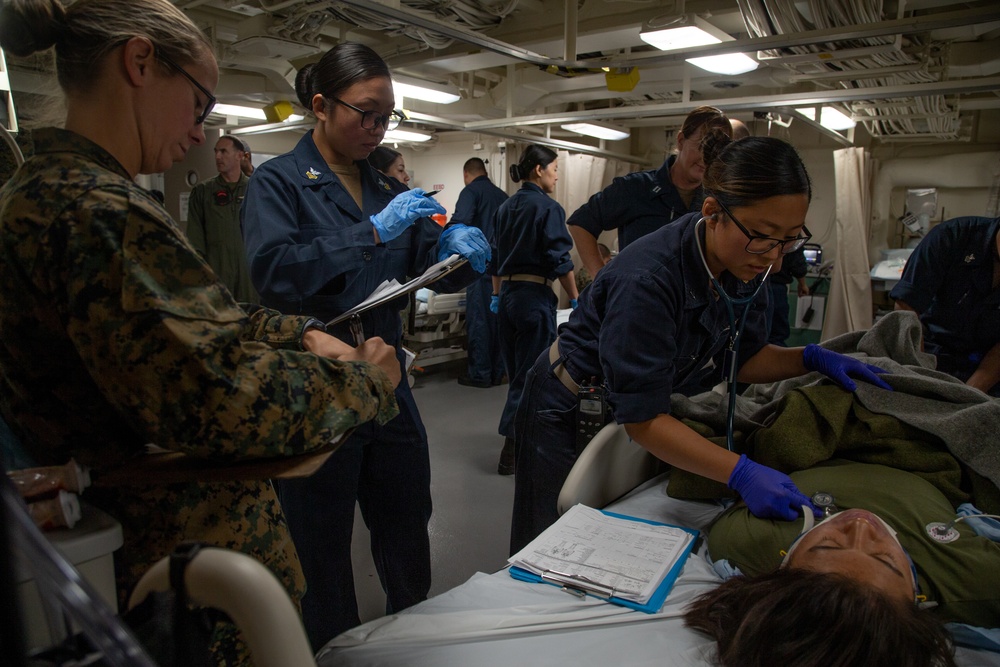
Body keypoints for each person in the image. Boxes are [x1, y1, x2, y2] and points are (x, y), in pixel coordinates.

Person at [0, 1, 401, 663]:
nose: (199, 134)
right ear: (139, 63)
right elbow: (223, 397)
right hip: (186, 577)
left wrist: (295, 333)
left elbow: (190, 319)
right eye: (199, 104)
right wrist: (363, 378)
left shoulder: (47, 191)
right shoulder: (99, 211)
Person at [509, 135, 894, 553]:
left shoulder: (749, 266)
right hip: (568, 405)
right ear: (713, 212)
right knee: (545, 547)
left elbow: (743, 360)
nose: (777, 258)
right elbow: (643, 419)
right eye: (765, 236)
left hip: (630, 409)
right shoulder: (647, 280)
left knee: (602, 538)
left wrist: (811, 358)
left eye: (790, 239)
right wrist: (741, 473)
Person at [240, 41, 490, 649]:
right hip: (318, 388)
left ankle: (412, 638)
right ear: (322, 106)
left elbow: (425, 264)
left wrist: (459, 250)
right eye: (365, 113)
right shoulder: (279, 183)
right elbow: (275, 272)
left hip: (388, 383)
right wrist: (369, 233)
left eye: (387, 117)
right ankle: (331, 650)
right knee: (319, 539)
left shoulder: (384, 186)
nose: (377, 129)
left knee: (406, 519)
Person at [491, 144, 578, 476]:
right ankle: (513, 448)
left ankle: (518, 442)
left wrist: (497, 295)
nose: (557, 175)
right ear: (539, 170)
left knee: (516, 374)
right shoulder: (548, 207)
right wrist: (576, 298)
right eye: (555, 168)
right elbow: (560, 258)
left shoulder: (505, 207)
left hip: (508, 298)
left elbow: (496, 258)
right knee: (531, 377)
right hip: (533, 297)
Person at [567, 106, 732, 279]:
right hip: (638, 299)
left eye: (715, 151)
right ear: (681, 140)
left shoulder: (716, 201)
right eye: (701, 146)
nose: (705, 158)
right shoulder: (636, 188)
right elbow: (580, 223)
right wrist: (602, 279)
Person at [890, 216, 1000, 396]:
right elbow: (905, 309)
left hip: (986, 369)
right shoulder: (951, 236)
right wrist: (920, 379)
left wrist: (968, 395)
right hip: (928, 353)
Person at [452, 157, 508, 388]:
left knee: (479, 321)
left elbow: (459, 224)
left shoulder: (470, 192)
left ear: (466, 174)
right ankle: (498, 372)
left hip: (479, 268)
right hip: (502, 270)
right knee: (497, 322)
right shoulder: (503, 196)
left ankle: (480, 374)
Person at [185, 134, 258, 302]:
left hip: (249, 279)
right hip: (217, 277)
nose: (218, 156)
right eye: (216, 152)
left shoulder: (255, 189)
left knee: (253, 322)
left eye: (224, 151)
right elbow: (195, 241)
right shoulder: (203, 192)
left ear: (240, 155)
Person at [767, 246, 810, 345]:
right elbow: (796, 260)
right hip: (775, 286)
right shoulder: (789, 234)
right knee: (775, 336)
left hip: (750, 284)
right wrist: (802, 283)